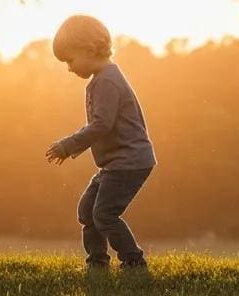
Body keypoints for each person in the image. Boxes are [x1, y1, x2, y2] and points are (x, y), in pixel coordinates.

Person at [45, 14, 156, 272]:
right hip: (117, 163)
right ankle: (98, 263)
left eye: (70, 60)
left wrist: (68, 144)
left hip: (128, 162)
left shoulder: (106, 81)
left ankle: (133, 262)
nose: (69, 68)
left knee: (104, 214)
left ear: (89, 49)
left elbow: (101, 124)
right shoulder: (104, 78)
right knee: (87, 211)